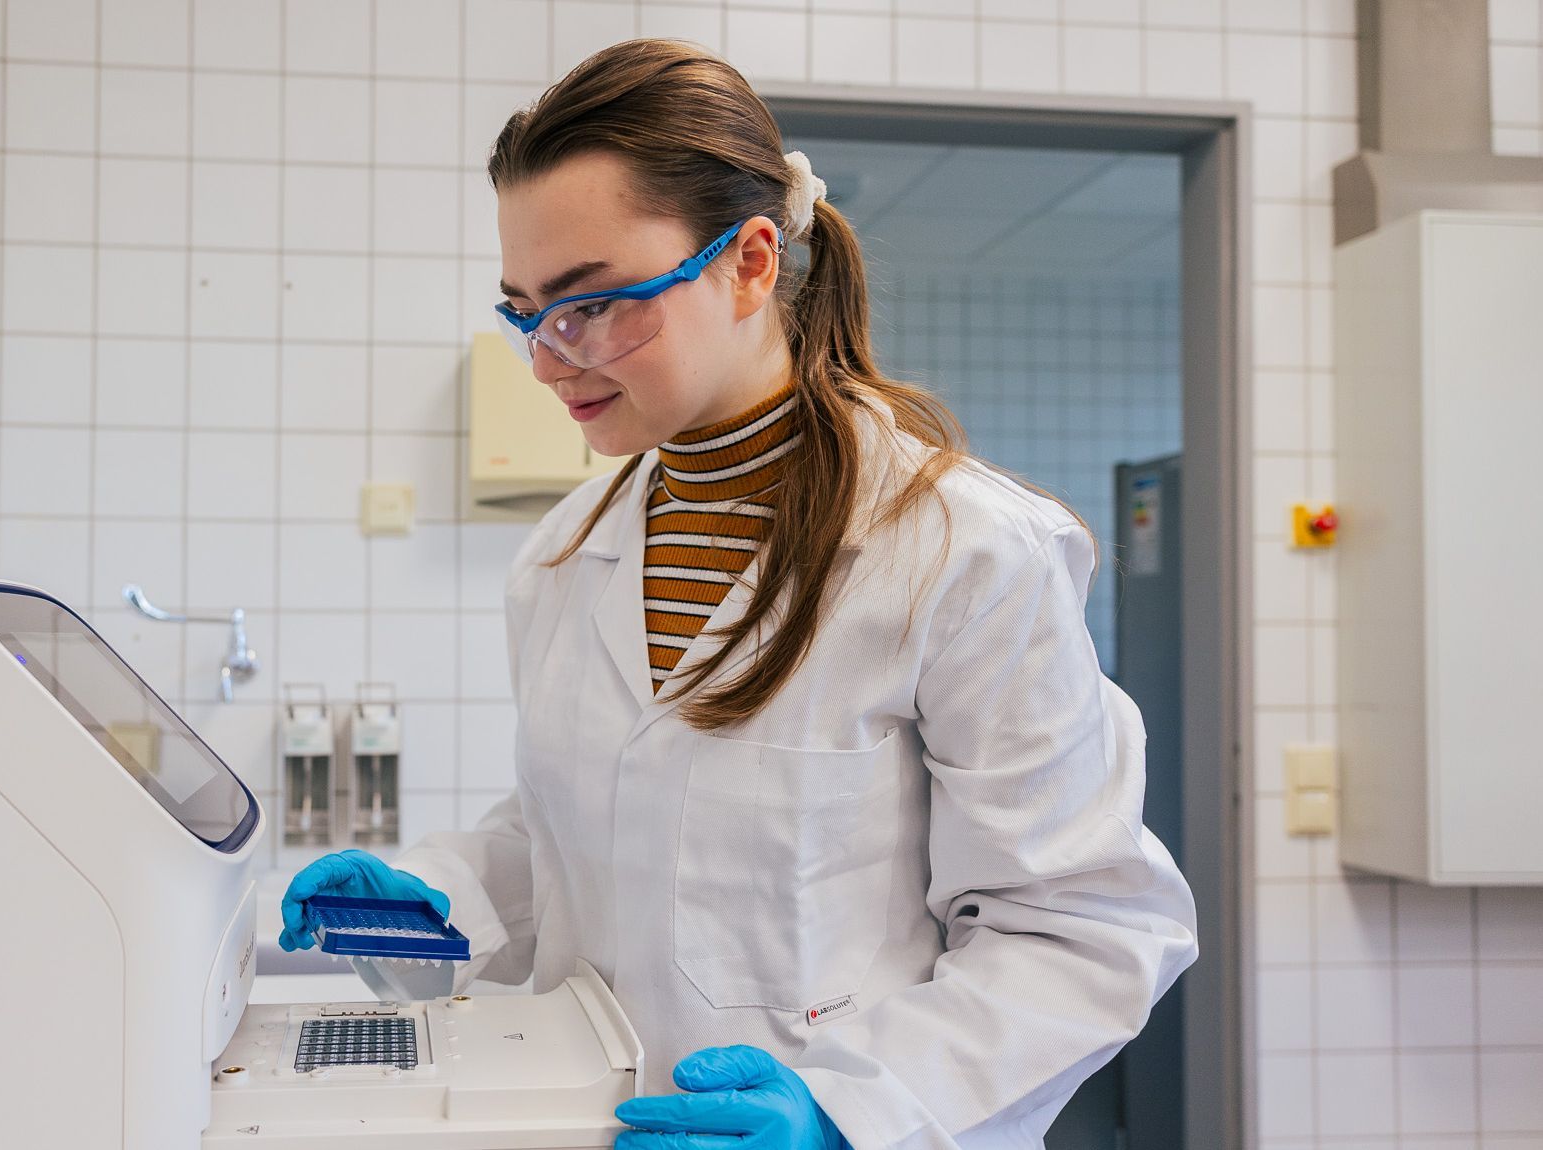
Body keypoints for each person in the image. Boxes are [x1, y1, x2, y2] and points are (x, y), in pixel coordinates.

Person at [278, 39, 1197, 1150]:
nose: (549, 358)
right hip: (599, 1123)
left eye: (595, 303)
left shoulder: (961, 551)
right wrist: (442, 893)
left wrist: (850, 1112)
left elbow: (1081, 926)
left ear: (751, 261)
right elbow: (593, 831)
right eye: (525, 310)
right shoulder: (566, 555)